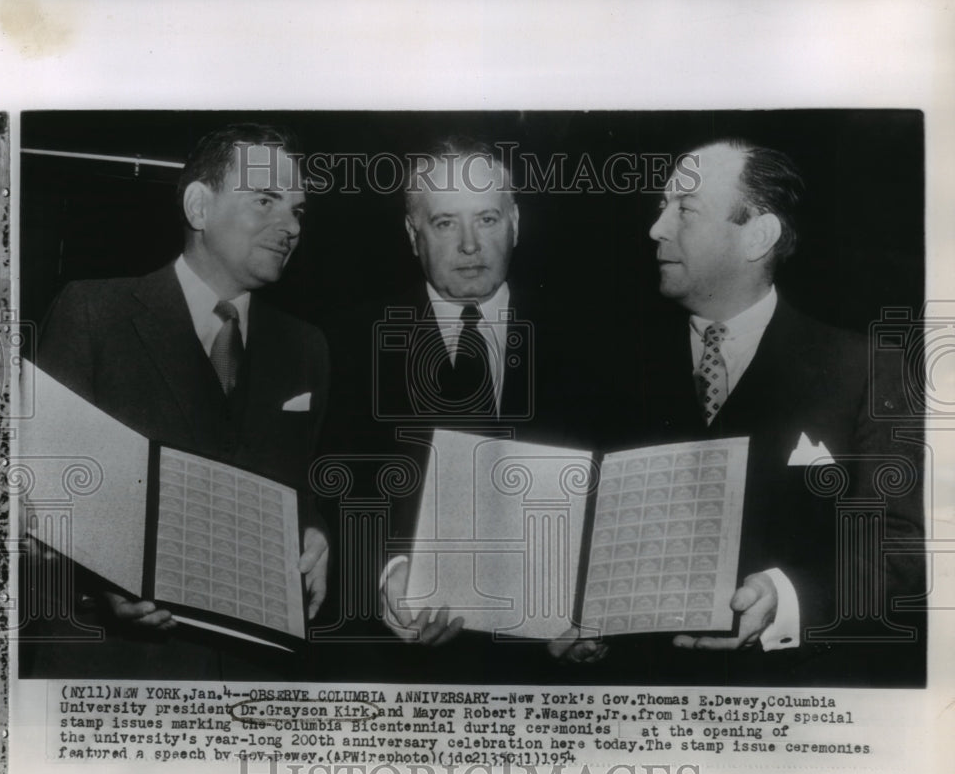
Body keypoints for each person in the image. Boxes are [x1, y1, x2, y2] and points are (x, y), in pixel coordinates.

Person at [554, 138, 925, 685]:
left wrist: (790, 597)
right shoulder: (606, 370)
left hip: (799, 698)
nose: (656, 229)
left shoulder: (870, 370)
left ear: (758, 235)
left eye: (684, 209)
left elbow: (904, 546)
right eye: (663, 207)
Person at [23, 122, 330, 679]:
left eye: (298, 211)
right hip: (113, 674)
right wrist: (97, 585)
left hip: (251, 683)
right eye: (266, 201)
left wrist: (313, 535)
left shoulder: (307, 347)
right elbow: (38, 503)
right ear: (199, 207)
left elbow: (298, 485)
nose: (289, 226)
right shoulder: (94, 313)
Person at [317, 138, 577, 679]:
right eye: (444, 223)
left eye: (486, 218)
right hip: (399, 667)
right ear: (413, 236)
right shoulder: (345, 341)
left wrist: (592, 610)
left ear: (516, 223)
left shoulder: (590, 341)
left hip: (547, 669)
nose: (468, 245)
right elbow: (332, 485)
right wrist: (386, 575)